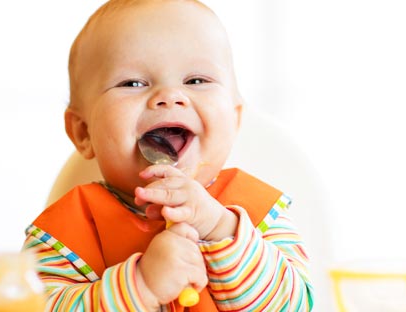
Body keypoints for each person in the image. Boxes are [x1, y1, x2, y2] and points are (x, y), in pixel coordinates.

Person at [23, 0, 314, 311]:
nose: (169, 96)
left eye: (196, 81)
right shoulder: (68, 233)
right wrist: (141, 286)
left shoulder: (259, 215)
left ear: (235, 119)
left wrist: (220, 228)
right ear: (83, 132)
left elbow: (293, 304)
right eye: (132, 83)